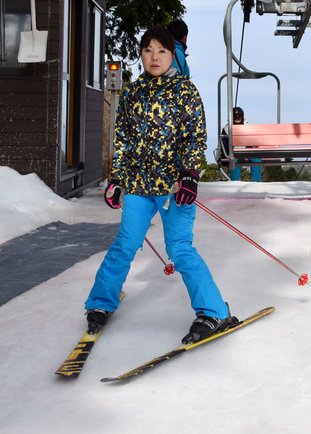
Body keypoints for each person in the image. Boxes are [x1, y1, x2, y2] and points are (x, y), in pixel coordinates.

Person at [85, 26, 232, 343]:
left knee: (179, 248)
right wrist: (117, 179)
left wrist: (190, 175)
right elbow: (122, 140)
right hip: (139, 186)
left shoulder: (186, 92)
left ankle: (214, 312)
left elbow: (194, 138)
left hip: (174, 186)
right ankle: (100, 304)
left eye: (162, 51)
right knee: (124, 245)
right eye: (148, 50)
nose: (154, 57)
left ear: (172, 55)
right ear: (141, 54)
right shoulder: (133, 93)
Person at [220, 107, 261, 182]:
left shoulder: (247, 127)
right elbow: (224, 144)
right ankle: (235, 182)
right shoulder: (227, 129)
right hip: (233, 153)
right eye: (235, 116)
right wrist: (227, 154)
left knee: (256, 160)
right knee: (233, 161)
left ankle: (257, 182)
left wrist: (246, 152)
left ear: (242, 116)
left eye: (239, 116)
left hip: (246, 152)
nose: (237, 118)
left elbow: (251, 141)